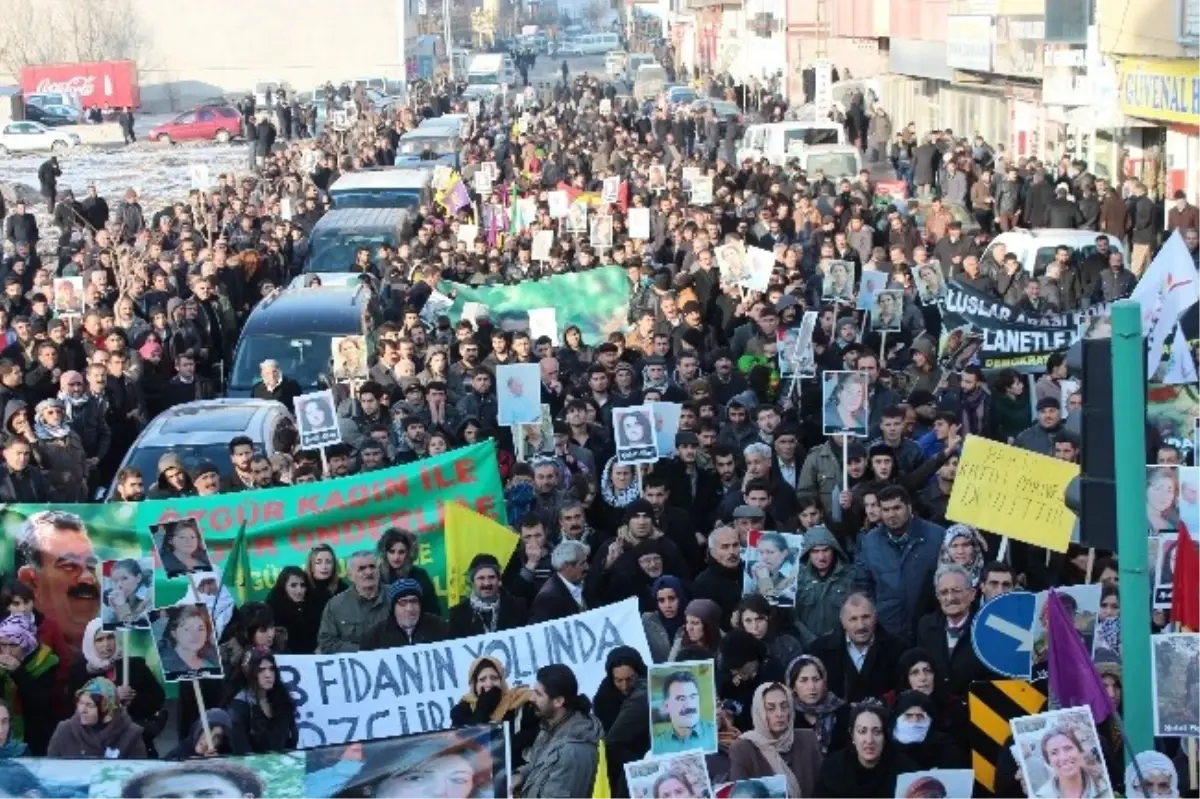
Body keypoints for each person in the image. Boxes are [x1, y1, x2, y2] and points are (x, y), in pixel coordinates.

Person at [69, 618, 166, 757]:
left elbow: (157, 699)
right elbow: (74, 708)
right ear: (90, 642)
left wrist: (133, 699)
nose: (106, 644)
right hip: (95, 745)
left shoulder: (134, 665)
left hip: (134, 742)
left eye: (110, 637)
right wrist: (112, 696)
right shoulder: (80, 672)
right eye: (99, 640)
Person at [516, 663, 602, 799]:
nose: (531, 698)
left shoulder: (572, 750)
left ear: (558, 701)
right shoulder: (550, 726)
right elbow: (543, 765)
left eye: (538, 694)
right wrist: (520, 775)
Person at [728, 681, 823, 799]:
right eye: (770, 708)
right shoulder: (743, 748)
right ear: (759, 712)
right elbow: (740, 794)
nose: (779, 714)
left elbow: (822, 788)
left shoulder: (807, 739)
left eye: (784, 706)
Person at [449, 655, 538, 768]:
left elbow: (537, 732)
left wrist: (509, 743)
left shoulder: (519, 702)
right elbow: (465, 746)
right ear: (474, 684)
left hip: (516, 773)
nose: (489, 684)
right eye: (482, 679)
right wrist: (482, 709)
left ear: (502, 680)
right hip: (479, 777)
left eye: (494, 678)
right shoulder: (461, 710)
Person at [813, 703, 917, 799]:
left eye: (877, 732)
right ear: (852, 735)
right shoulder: (834, 767)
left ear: (885, 736)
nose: (869, 740)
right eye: (862, 731)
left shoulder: (904, 770)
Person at [47, 676, 146, 758]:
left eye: (90, 705)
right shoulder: (64, 730)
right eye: (80, 703)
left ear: (108, 709)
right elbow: (50, 769)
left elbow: (138, 775)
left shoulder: (131, 735)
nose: (82, 710)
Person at [0, 613, 57, 755]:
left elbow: (41, 702)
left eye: (13, 645)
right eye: (2, 645)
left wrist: (18, 672)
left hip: (35, 736)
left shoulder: (45, 662)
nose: (7, 651)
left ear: (26, 643)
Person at [225, 648, 298, 753]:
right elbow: (242, 750)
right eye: (261, 670)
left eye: (271, 669)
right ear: (249, 673)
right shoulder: (240, 706)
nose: (268, 675)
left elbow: (291, 739)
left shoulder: (282, 700)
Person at [317, 551, 389, 653]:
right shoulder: (335, 606)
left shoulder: (396, 597)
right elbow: (326, 643)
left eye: (372, 567)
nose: (368, 572)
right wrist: (361, 651)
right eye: (361, 568)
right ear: (350, 576)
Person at [448, 554, 527, 637]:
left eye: (492, 577)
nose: (487, 583)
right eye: (481, 578)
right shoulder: (458, 614)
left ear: (499, 580)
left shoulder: (518, 607)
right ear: (472, 582)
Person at [361, 577, 450, 649]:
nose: (409, 608)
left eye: (414, 601)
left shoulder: (440, 628)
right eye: (403, 603)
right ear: (393, 607)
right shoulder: (376, 636)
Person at [1031, 725, 1112, 799]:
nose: (1063, 757)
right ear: (1049, 761)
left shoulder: (1105, 784)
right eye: (1054, 753)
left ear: (1079, 751)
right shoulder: (1041, 796)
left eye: (1068, 748)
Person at [376, 527, 442, 616]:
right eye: (392, 551)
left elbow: (433, 610)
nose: (396, 557)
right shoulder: (377, 576)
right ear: (384, 552)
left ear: (409, 553)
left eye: (401, 552)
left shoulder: (420, 575)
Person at [529, 540, 589, 623]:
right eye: (582, 563)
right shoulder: (547, 599)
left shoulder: (584, 581)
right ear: (566, 566)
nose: (587, 567)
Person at [154, 604, 220, 678]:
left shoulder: (213, 664)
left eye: (200, 629)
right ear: (174, 633)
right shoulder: (162, 665)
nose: (195, 634)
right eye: (187, 629)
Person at [642, 575, 688, 663]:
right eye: (661, 600)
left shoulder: (692, 620)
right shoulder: (648, 621)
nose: (667, 605)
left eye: (672, 598)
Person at [102, 558, 153, 627]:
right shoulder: (127, 597)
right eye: (116, 581)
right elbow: (113, 628)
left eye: (124, 578)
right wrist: (114, 608)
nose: (119, 585)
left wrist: (122, 606)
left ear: (138, 578)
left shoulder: (151, 596)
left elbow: (135, 629)